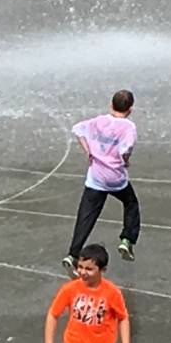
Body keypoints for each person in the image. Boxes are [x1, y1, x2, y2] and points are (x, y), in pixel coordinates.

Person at [66, 90, 140, 268]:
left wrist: (88, 152)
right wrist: (126, 161)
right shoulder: (128, 127)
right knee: (131, 203)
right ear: (131, 109)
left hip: (96, 178)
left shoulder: (99, 121)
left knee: (86, 216)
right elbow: (125, 149)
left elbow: (78, 129)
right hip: (115, 178)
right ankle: (126, 239)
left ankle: (73, 255)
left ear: (111, 105)